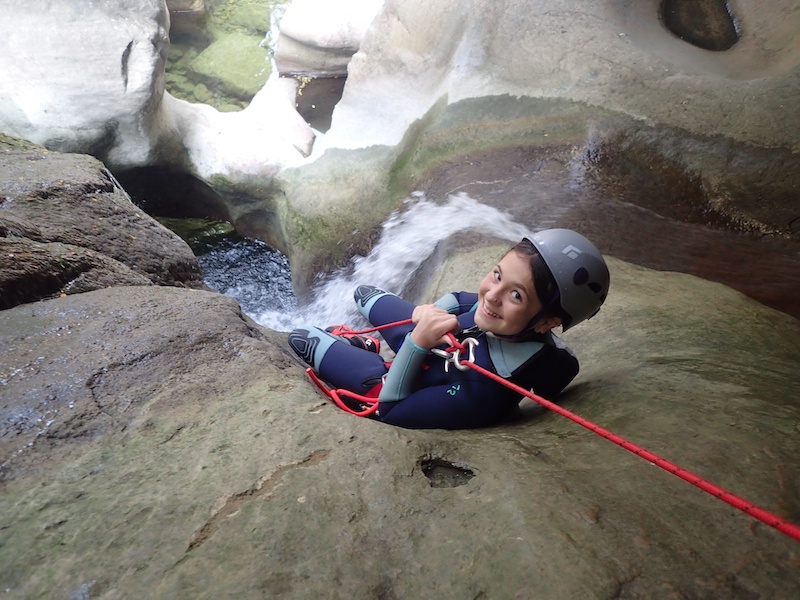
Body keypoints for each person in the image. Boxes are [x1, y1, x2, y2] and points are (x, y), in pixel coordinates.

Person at [288, 229, 610, 429]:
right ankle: (369, 344)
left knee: (301, 339)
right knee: (364, 295)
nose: (492, 296)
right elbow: (459, 299)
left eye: (516, 295)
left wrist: (416, 344)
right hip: (431, 336)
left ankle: (370, 355)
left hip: (399, 381)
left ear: (548, 322)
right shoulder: (517, 326)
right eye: (497, 275)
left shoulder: (484, 393)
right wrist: (428, 313)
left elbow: (392, 410)